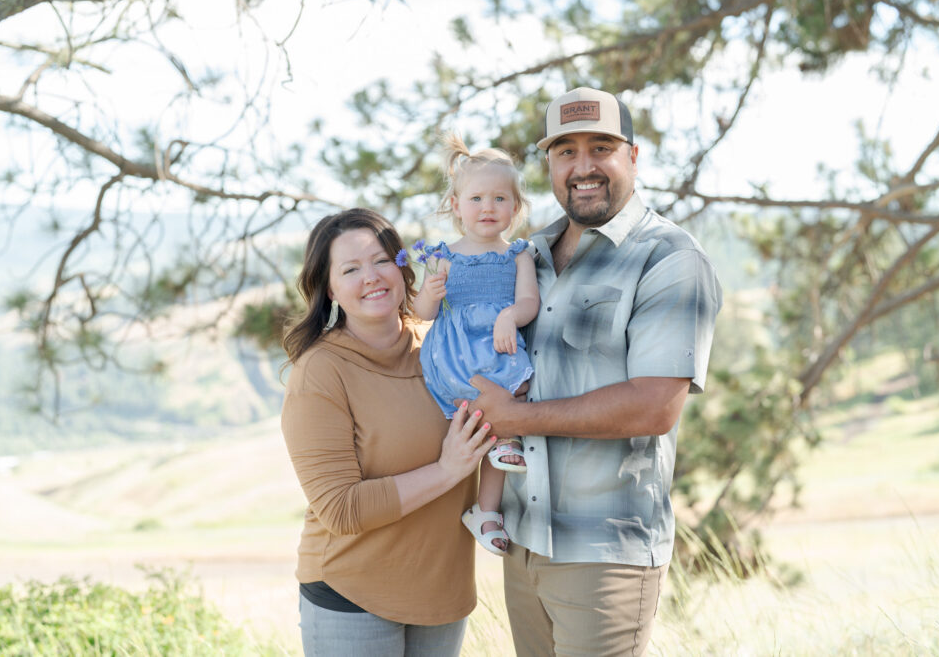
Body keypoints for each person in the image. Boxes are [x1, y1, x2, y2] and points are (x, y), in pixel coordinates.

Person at [466, 87, 723, 656]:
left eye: (601, 147)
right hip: (523, 542)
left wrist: (518, 417)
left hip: (606, 555)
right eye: (565, 151)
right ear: (550, 165)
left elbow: (654, 406)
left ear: (633, 156)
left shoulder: (669, 259)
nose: (583, 167)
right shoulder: (524, 256)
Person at [279, 208, 497, 656]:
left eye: (382, 261)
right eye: (351, 269)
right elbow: (340, 509)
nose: (371, 277)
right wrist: (447, 470)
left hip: (443, 594)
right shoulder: (321, 370)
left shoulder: (443, 347)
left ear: (403, 267)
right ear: (329, 288)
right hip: (352, 596)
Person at [411, 133, 539, 556]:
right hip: (456, 358)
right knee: (500, 419)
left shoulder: (518, 254)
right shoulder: (441, 254)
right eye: (477, 198)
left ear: (515, 209)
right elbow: (424, 313)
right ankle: (479, 499)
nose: (488, 207)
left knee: (505, 414)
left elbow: (528, 303)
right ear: (456, 205)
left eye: (500, 199)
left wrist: (510, 316)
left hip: (498, 349)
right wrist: (431, 290)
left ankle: (486, 513)